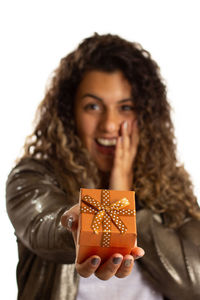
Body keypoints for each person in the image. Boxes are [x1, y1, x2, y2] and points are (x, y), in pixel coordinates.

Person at [6, 33, 200, 300]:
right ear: (69, 112)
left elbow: (194, 282)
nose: (109, 125)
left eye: (125, 107)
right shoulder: (32, 177)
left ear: (144, 115)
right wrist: (81, 224)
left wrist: (122, 194)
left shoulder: (170, 188)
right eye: (93, 106)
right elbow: (44, 228)